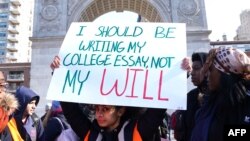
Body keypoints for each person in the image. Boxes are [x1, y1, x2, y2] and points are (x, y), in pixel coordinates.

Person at [50, 56, 166, 141]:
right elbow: (71, 111)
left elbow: (158, 109)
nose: (99, 114)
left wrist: (181, 73)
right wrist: (58, 74)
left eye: (105, 109)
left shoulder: (138, 130)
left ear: (120, 111)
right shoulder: (91, 133)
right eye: (97, 109)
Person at [191, 46, 250, 141]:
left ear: (225, 73)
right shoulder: (208, 104)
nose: (207, 75)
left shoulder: (245, 104)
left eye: (211, 70)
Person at [172, 52, 208, 141]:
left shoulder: (219, 98)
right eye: (192, 69)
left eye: (196, 68)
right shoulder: (191, 96)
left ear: (208, 70)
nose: (192, 73)